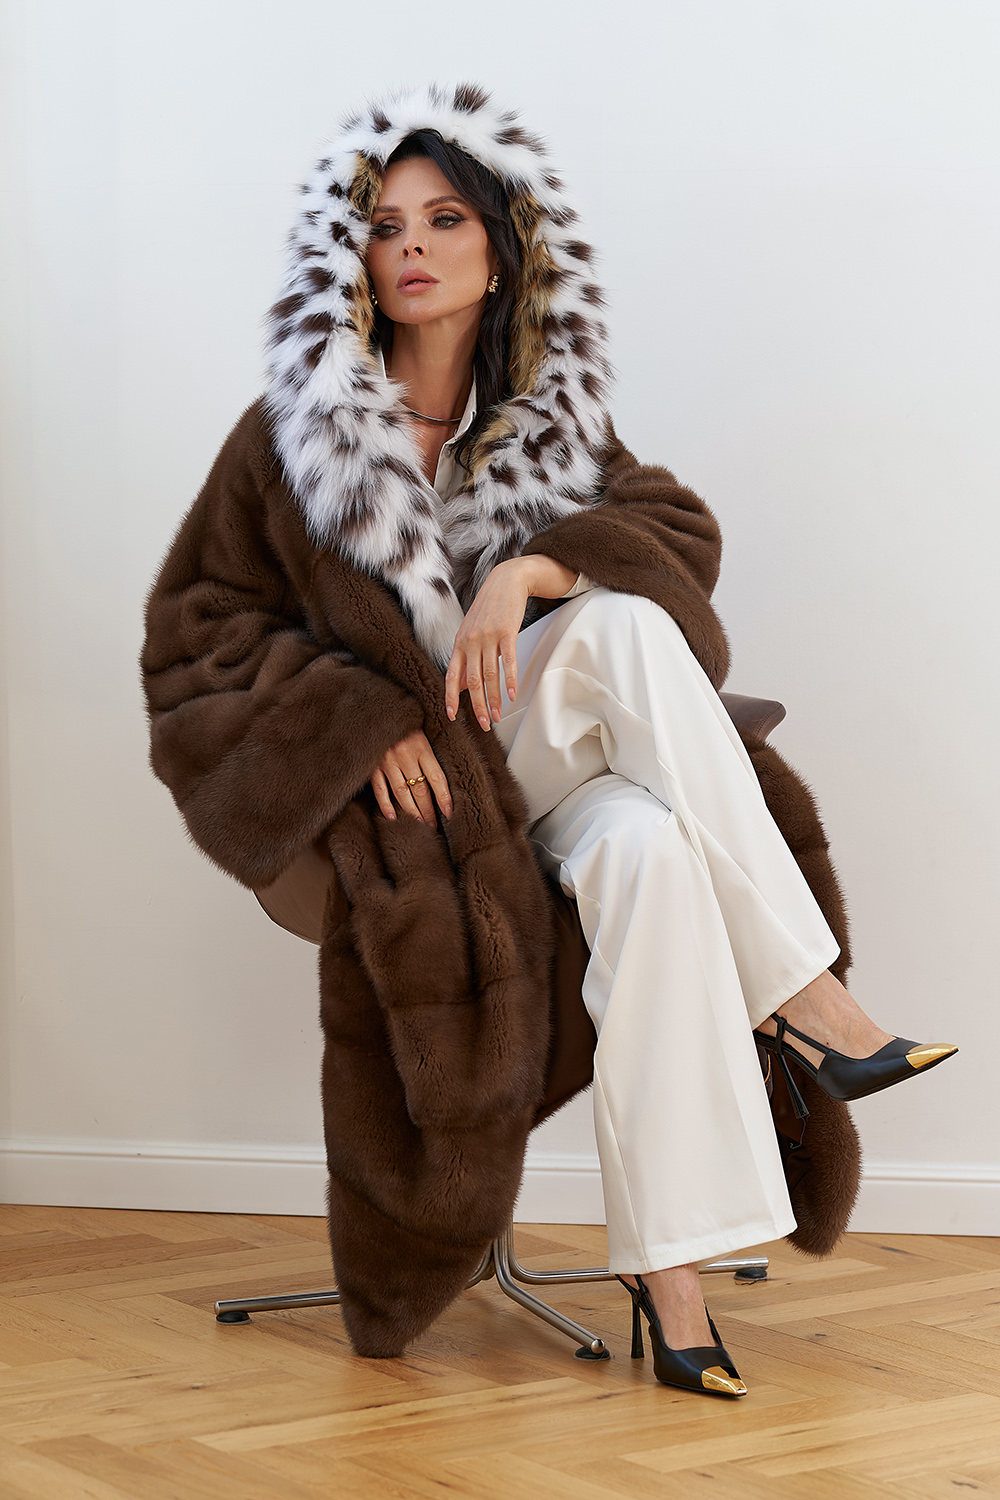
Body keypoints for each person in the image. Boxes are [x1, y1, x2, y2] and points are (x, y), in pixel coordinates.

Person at [142, 83, 956, 1395]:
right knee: (626, 684)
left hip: (539, 768)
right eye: (383, 225)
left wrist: (532, 570)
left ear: (500, 247)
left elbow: (676, 532)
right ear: (352, 257)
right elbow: (199, 634)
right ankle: (806, 1002)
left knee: (644, 829)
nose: (411, 246)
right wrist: (355, 723)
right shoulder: (292, 436)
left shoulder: (549, 424)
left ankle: (670, 1274)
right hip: (412, 808)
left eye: (444, 219)